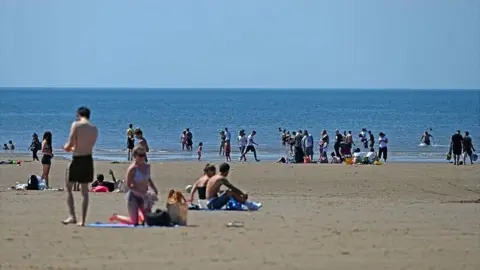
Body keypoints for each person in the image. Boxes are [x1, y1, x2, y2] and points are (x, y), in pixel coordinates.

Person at [62, 107, 98, 227]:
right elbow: (89, 145)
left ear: (78, 114)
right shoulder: (94, 129)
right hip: (88, 159)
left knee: (69, 187)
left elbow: (70, 144)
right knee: (85, 192)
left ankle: (72, 215)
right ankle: (82, 220)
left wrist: (67, 147)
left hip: (77, 159)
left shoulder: (76, 125)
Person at [125, 146, 158, 226]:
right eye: (140, 155)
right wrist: (140, 193)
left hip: (145, 197)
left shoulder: (147, 166)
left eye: (143, 155)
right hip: (133, 197)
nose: (142, 157)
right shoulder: (132, 169)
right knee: (134, 223)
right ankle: (117, 217)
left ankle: (142, 216)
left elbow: (148, 179)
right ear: (135, 156)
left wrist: (154, 189)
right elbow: (128, 185)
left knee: (148, 221)